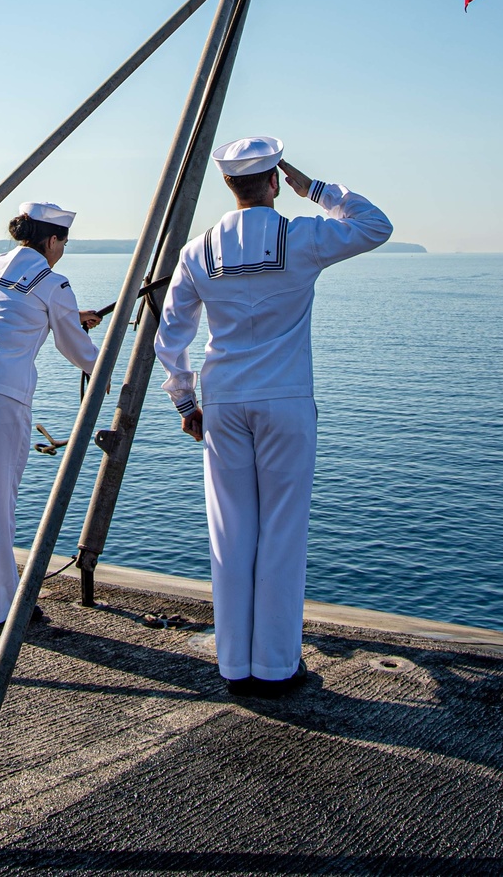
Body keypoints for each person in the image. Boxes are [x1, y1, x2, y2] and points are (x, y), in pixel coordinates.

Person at [154, 136, 392, 697]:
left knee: (229, 532)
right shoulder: (302, 235)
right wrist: (316, 188)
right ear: (275, 180)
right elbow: (374, 224)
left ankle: (235, 666)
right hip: (285, 399)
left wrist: (186, 402)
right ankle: (278, 666)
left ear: (228, 184)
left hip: (226, 401)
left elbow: (171, 336)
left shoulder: (198, 251)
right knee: (283, 531)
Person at [0, 200, 101, 632]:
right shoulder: (54, 282)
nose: (62, 251)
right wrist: (102, 371)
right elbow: (74, 347)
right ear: (52, 240)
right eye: (63, 243)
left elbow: (15, 313)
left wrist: (71, 315)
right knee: (0, 498)